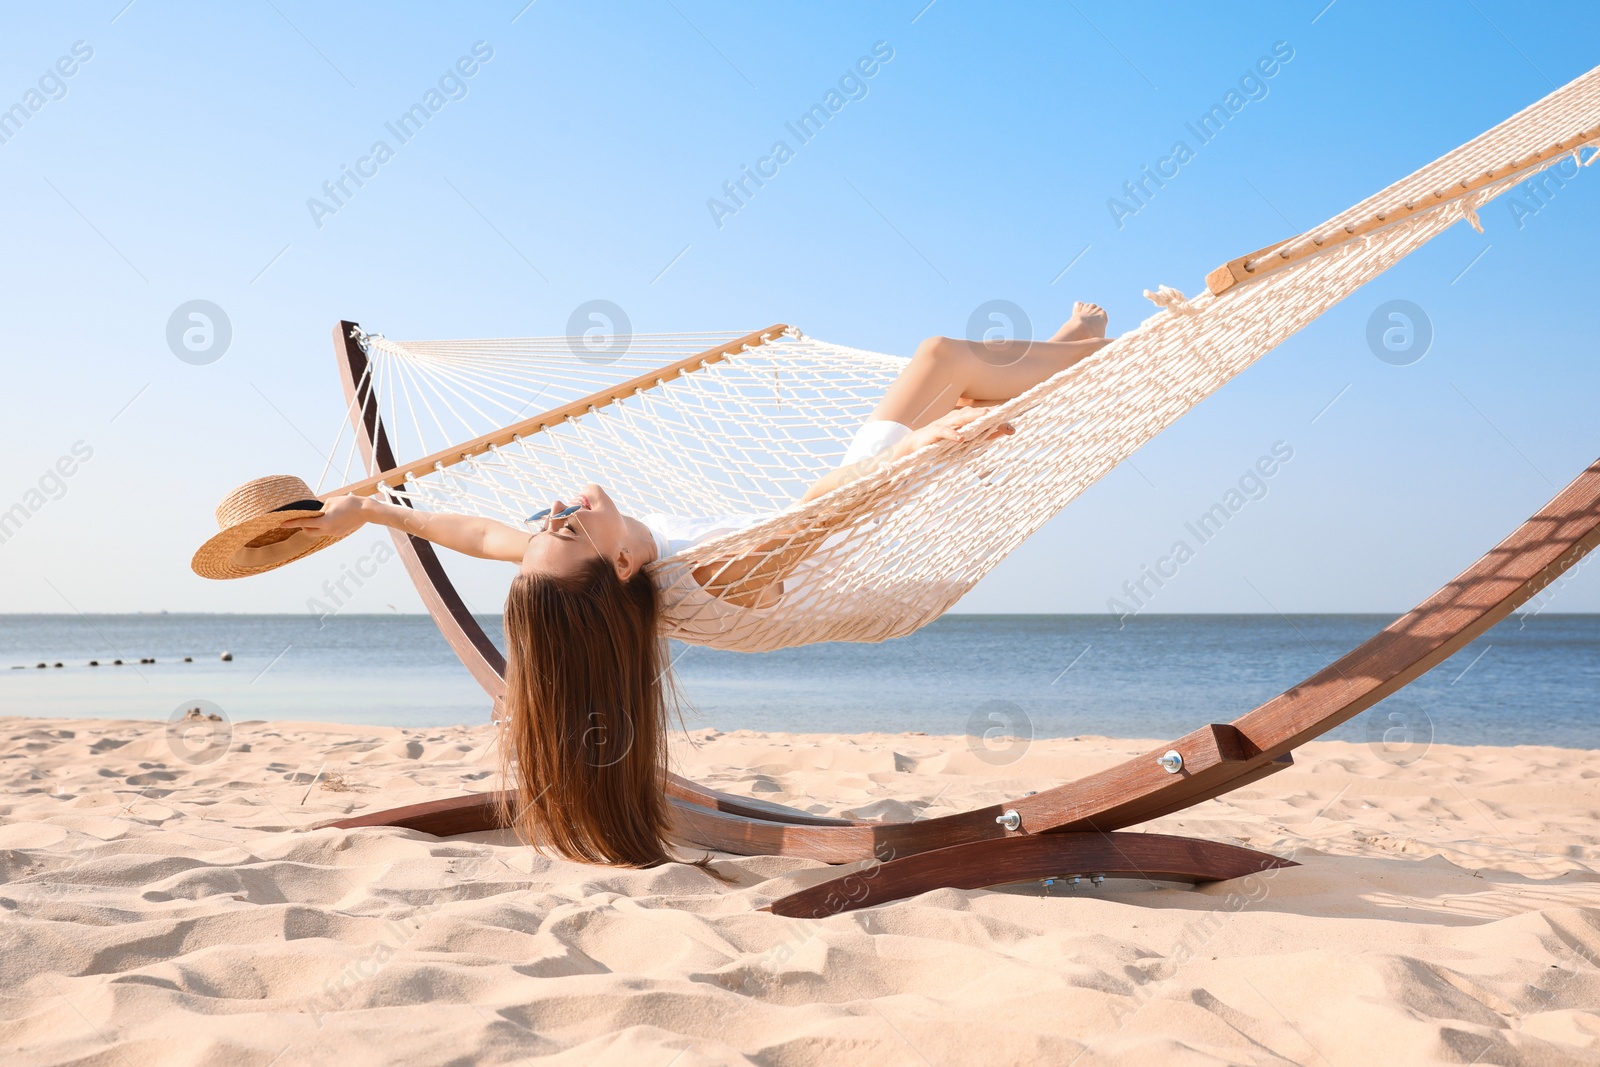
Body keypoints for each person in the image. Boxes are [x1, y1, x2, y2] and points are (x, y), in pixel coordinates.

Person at [283, 304, 1113, 866]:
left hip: (836, 525)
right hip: (854, 539)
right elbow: (822, 515)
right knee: (944, 362)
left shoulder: (595, 574)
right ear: (619, 566)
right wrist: (927, 452)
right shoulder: (707, 573)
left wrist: (373, 510)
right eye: (568, 528)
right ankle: (1085, 359)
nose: (560, 510)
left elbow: (482, 535)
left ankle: (1067, 357)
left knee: (957, 378)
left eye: (550, 521)